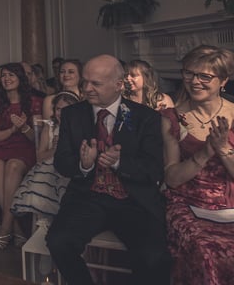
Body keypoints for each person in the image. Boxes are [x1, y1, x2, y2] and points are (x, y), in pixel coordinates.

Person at [47, 54, 171, 285]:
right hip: (88, 197)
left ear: (118, 84)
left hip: (133, 201)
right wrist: (84, 165)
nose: (87, 89)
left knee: (153, 257)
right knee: (58, 241)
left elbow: (154, 169)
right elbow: (61, 162)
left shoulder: (146, 117)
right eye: (85, 82)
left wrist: (118, 162)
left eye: (96, 83)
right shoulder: (73, 115)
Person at [161, 45, 234, 284]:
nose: (194, 81)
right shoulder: (172, 118)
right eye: (189, 73)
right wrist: (205, 152)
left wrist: (223, 150)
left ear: (223, 80)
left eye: (204, 76)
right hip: (187, 204)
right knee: (207, 250)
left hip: (230, 204)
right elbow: (171, 179)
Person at [0, 62, 41, 249]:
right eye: (4, 76)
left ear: (20, 79)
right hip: (0, 144)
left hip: (24, 147)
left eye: (11, 76)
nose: (6, 79)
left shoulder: (33, 101)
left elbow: (36, 138)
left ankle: (4, 229)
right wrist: (12, 129)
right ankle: (15, 228)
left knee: (13, 166)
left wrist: (23, 128)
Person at [11, 91, 77, 219]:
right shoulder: (50, 128)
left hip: (69, 168)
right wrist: (54, 148)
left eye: (66, 109)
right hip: (48, 168)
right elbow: (40, 157)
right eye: (58, 109)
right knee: (44, 182)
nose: (61, 113)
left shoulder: (78, 127)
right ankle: (46, 219)